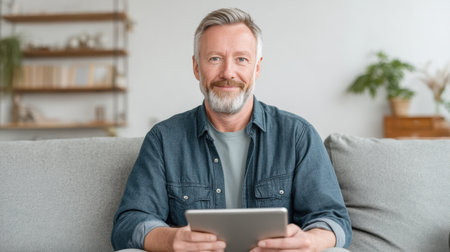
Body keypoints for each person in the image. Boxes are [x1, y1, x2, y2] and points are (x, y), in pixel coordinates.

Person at [111, 8, 351, 252]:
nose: (227, 73)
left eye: (241, 59)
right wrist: (171, 240)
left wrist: (309, 242)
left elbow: (334, 220)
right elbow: (129, 224)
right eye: (215, 58)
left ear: (256, 68)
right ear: (196, 67)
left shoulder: (297, 135)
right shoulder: (163, 139)